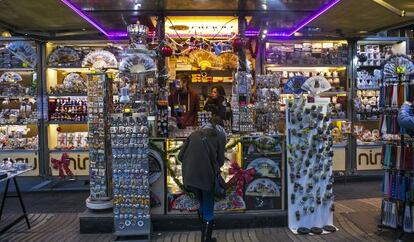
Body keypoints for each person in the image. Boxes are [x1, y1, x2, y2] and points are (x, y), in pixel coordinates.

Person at [178, 116, 227, 242]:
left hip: (190, 176)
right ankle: (206, 239)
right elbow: (220, 161)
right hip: (207, 176)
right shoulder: (220, 136)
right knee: (208, 206)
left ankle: (205, 234)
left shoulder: (194, 134)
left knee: (202, 203)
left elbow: (180, 156)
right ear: (222, 126)